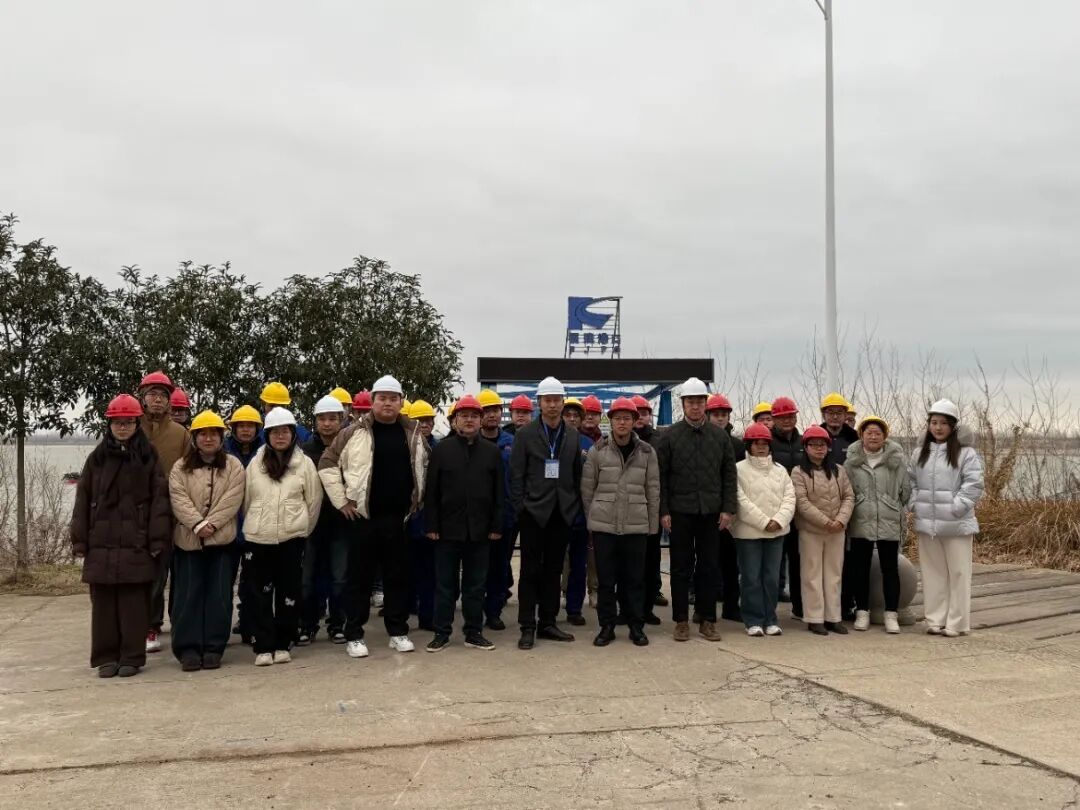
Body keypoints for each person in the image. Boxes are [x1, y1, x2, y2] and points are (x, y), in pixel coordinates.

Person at [318, 375, 429, 659]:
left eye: (393, 399)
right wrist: (341, 501)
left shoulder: (414, 432)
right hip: (362, 519)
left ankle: (398, 631)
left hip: (399, 519)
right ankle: (354, 634)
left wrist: (418, 501)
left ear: (401, 402)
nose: (387, 404)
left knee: (397, 578)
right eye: (382, 399)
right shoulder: (352, 432)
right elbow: (327, 464)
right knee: (359, 580)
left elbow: (425, 467)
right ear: (373, 402)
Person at [70, 394, 171, 678]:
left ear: (137, 423)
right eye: (117, 422)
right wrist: (79, 539)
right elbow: (82, 500)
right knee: (103, 604)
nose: (123, 427)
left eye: (128, 422)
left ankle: (132, 656)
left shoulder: (149, 456)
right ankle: (106, 657)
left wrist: (157, 540)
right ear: (109, 424)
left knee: (133, 604)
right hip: (100, 541)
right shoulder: (97, 458)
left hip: (136, 541)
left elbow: (160, 501)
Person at [657, 377, 738, 642]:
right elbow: (662, 477)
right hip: (679, 512)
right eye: (690, 402)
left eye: (700, 402)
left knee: (709, 568)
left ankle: (707, 620)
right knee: (681, 567)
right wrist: (664, 510)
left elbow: (729, 475)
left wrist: (728, 509)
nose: (695, 406)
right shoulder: (670, 436)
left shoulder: (719, 437)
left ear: (705, 404)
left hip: (711, 512)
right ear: (683, 404)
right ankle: (681, 620)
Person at [242, 407, 322, 666]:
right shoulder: (256, 464)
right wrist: (256, 522)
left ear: (293, 434)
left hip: (291, 539)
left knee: (289, 592)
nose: (280, 436)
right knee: (259, 593)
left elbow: (313, 501)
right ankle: (263, 645)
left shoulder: (304, 464)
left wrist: (301, 528)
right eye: (274, 432)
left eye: (285, 431)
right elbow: (246, 500)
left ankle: (283, 642)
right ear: (266, 435)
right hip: (258, 538)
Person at [424, 395, 504, 652]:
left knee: (475, 585)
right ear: (454, 420)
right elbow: (431, 491)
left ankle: (473, 632)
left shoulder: (491, 452)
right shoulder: (442, 450)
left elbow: (499, 493)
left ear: (480, 421)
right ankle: (441, 632)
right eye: (464, 416)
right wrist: (431, 526)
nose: (469, 420)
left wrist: (496, 526)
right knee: (445, 585)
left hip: (480, 531)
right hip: (447, 530)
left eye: (474, 416)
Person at [509, 376, 584, 649]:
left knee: (554, 570)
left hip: (562, 512)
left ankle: (548, 622)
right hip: (533, 512)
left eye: (557, 400)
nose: (552, 405)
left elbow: (576, 474)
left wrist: (573, 506)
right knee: (530, 570)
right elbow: (516, 475)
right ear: (539, 403)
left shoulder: (573, 435)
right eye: (547, 400)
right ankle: (527, 625)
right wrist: (521, 508)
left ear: (563, 402)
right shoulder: (525, 435)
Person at [167, 410, 246, 670]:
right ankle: (187, 648)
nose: (209, 438)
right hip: (188, 542)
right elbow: (178, 498)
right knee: (187, 596)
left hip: (222, 541)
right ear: (195, 438)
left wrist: (212, 523)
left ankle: (214, 646)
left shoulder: (233, 466)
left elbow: (233, 497)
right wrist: (197, 523)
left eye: (214, 434)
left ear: (222, 438)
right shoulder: (180, 467)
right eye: (203, 434)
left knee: (219, 596)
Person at [581, 398, 660, 647]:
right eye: (617, 418)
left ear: (635, 421)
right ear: (611, 421)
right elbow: (587, 488)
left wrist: (652, 526)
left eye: (627, 418)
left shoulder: (647, 452)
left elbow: (653, 489)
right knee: (606, 580)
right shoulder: (598, 451)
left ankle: (636, 626)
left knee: (635, 579)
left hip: (636, 525)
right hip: (604, 526)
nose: (622, 423)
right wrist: (593, 518)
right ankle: (607, 626)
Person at [909, 399, 984, 638]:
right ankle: (935, 620)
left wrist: (957, 507)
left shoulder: (965, 453)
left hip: (956, 524)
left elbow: (974, 484)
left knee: (959, 574)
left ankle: (957, 623)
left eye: (943, 423)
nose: (938, 427)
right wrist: (914, 504)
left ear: (953, 426)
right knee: (932, 574)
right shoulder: (919, 453)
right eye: (934, 422)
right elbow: (910, 482)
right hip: (927, 524)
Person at [137, 370, 188, 655]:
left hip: (173, 513)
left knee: (178, 572)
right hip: (139, 515)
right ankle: (149, 624)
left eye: (162, 396)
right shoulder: (132, 428)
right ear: (142, 398)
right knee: (149, 573)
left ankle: (179, 622)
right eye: (152, 395)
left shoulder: (180, 434)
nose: (157, 400)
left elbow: (191, 473)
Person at [844, 416, 910, 634]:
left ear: (885, 436)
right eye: (869, 432)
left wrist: (890, 502)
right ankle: (862, 611)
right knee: (860, 569)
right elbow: (846, 490)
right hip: (860, 520)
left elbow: (906, 491)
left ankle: (891, 614)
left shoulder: (896, 461)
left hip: (888, 520)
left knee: (890, 569)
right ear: (861, 435)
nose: (873, 437)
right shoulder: (852, 462)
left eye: (878, 433)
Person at [732, 423, 796, 637]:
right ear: (748, 446)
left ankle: (770, 619)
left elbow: (790, 498)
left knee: (771, 578)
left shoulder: (780, 470)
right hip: (748, 533)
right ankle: (753, 620)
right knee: (750, 577)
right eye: (756, 443)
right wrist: (763, 522)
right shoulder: (738, 469)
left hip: (776, 533)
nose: (761, 447)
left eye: (764, 444)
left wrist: (778, 520)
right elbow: (739, 500)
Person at [791, 425, 855, 636]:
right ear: (806, 447)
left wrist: (840, 520)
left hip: (837, 531)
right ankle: (814, 618)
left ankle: (833, 617)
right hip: (811, 531)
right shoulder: (798, 472)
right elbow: (801, 502)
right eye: (814, 444)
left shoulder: (839, 470)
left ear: (828, 447)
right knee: (812, 575)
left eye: (823, 444)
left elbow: (849, 496)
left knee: (834, 575)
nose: (819, 448)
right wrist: (825, 522)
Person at [298, 395, 351, 645]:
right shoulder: (304, 451)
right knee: (307, 580)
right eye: (322, 419)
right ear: (315, 421)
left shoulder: (350, 449)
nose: (327, 424)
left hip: (342, 525)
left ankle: (337, 624)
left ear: (342, 420)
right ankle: (307, 625)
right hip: (311, 525)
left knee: (340, 578)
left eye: (332, 419)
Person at [701, 392, 744, 625]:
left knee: (731, 562)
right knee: (706, 563)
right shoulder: (699, 441)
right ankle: (703, 608)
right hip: (705, 511)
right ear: (707, 416)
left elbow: (738, 480)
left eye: (723, 414)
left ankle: (731, 606)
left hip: (729, 510)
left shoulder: (737, 445)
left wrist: (730, 509)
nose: (720, 418)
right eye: (716, 414)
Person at [475, 390, 516, 631]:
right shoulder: (470, 442)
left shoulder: (512, 443)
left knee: (499, 567)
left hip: (505, 516)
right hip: (476, 517)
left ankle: (493, 612)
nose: (492, 415)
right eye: (487, 411)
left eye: (495, 410)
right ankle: (474, 612)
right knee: (476, 568)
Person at [224, 404, 264, 644]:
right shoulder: (223, 450)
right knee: (224, 581)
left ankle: (249, 625)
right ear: (234, 428)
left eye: (250, 426)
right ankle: (220, 627)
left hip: (255, 526)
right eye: (241, 426)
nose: (246, 430)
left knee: (252, 583)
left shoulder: (266, 450)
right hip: (228, 526)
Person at [560, 397, 593, 626]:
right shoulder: (551, 440)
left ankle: (574, 609)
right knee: (553, 563)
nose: (572, 419)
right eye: (568, 415)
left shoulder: (588, 444)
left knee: (579, 565)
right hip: (556, 513)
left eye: (576, 416)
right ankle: (549, 608)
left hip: (580, 514)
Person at [632, 394, 666, 623]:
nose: (640, 418)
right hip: (628, 510)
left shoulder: (660, 441)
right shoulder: (619, 440)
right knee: (628, 563)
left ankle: (647, 607)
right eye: (636, 414)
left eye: (644, 413)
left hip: (651, 508)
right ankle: (627, 608)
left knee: (651, 561)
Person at [406, 399, 439, 632]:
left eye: (428, 420)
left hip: (431, 520)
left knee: (430, 572)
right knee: (405, 571)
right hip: (407, 520)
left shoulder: (441, 449)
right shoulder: (403, 447)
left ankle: (427, 616)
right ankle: (405, 611)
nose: (424, 425)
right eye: (419, 421)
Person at [770, 396, 803, 618]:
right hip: (775, 509)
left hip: (799, 511)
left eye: (790, 416)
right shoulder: (767, 442)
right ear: (774, 419)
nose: (787, 420)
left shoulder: (804, 442)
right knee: (773, 563)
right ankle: (768, 609)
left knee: (798, 561)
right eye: (782, 417)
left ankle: (800, 607)